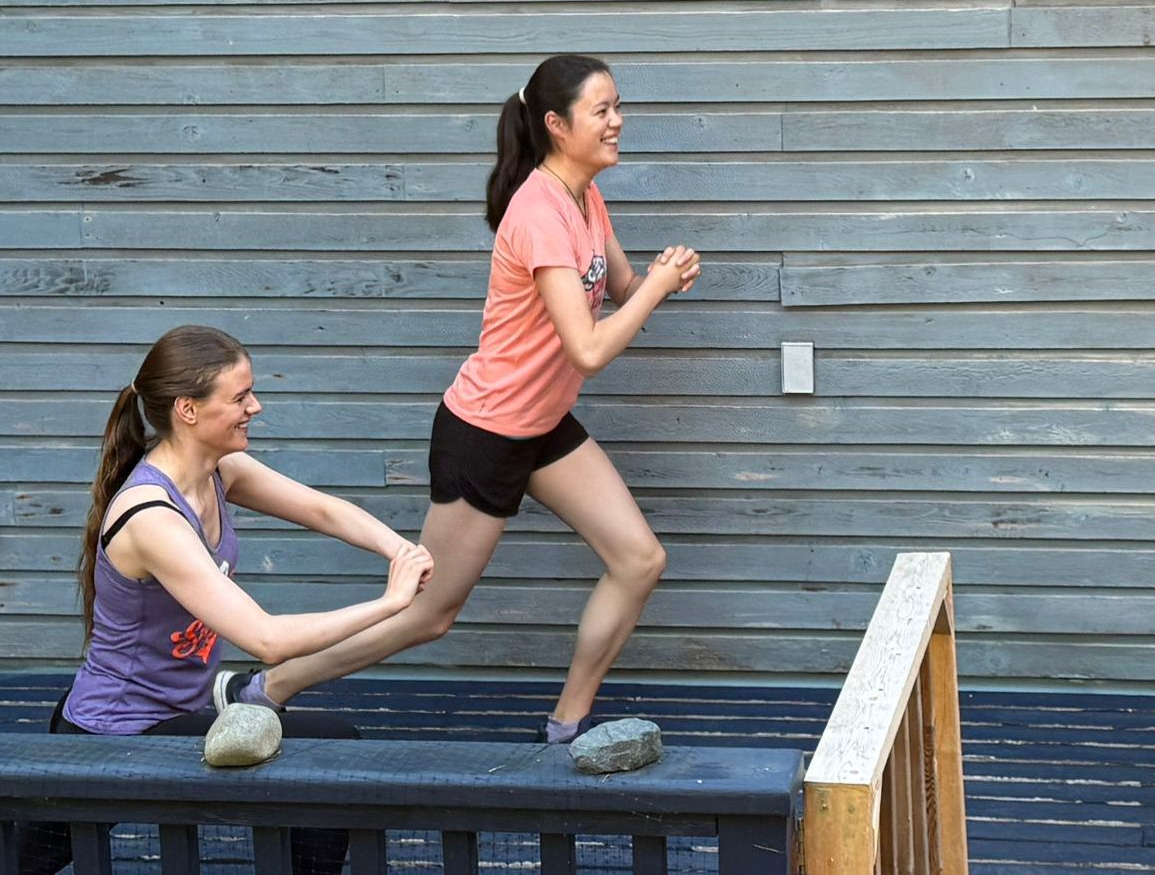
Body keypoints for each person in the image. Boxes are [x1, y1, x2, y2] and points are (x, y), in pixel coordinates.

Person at [218, 54, 701, 744]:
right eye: (604, 110)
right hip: (485, 432)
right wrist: (656, 288)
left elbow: (621, 289)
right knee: (430, 612)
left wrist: (661, 274)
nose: (618, 121)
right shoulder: (538, 212)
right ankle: (270, 684)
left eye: (619, 106)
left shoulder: (584, 196)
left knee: (639, 558)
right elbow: (588, 349)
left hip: (540, 423)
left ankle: (566, 726)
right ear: (558, 126)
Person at [20, 324, 434, 875]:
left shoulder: (220, 471)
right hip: (116, 734)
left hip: (181, 711)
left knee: (331, 758)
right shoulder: (152, 518)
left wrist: (400, 550)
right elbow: (268, 639)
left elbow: (323, 510)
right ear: (188, 410)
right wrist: (391, 602)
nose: (255, 407)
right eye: (240, 397)